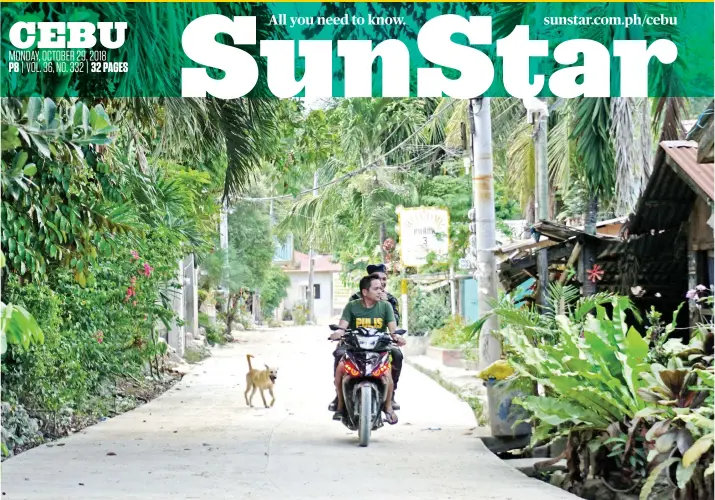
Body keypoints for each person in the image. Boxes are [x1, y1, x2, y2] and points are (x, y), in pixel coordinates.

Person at [328, 274, 406, 424]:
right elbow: (342, 326)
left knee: (387, 374)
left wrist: (397, 337)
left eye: (381, 288)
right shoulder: (352, 306)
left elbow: (393, 330)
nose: (380, 291)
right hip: (355, 348)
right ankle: (340, 404)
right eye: (376, 288)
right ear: (365, 292)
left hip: (379, 349)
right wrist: (338, 333)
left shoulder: (386, 306)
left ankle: (388, 407)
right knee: (340, 367)